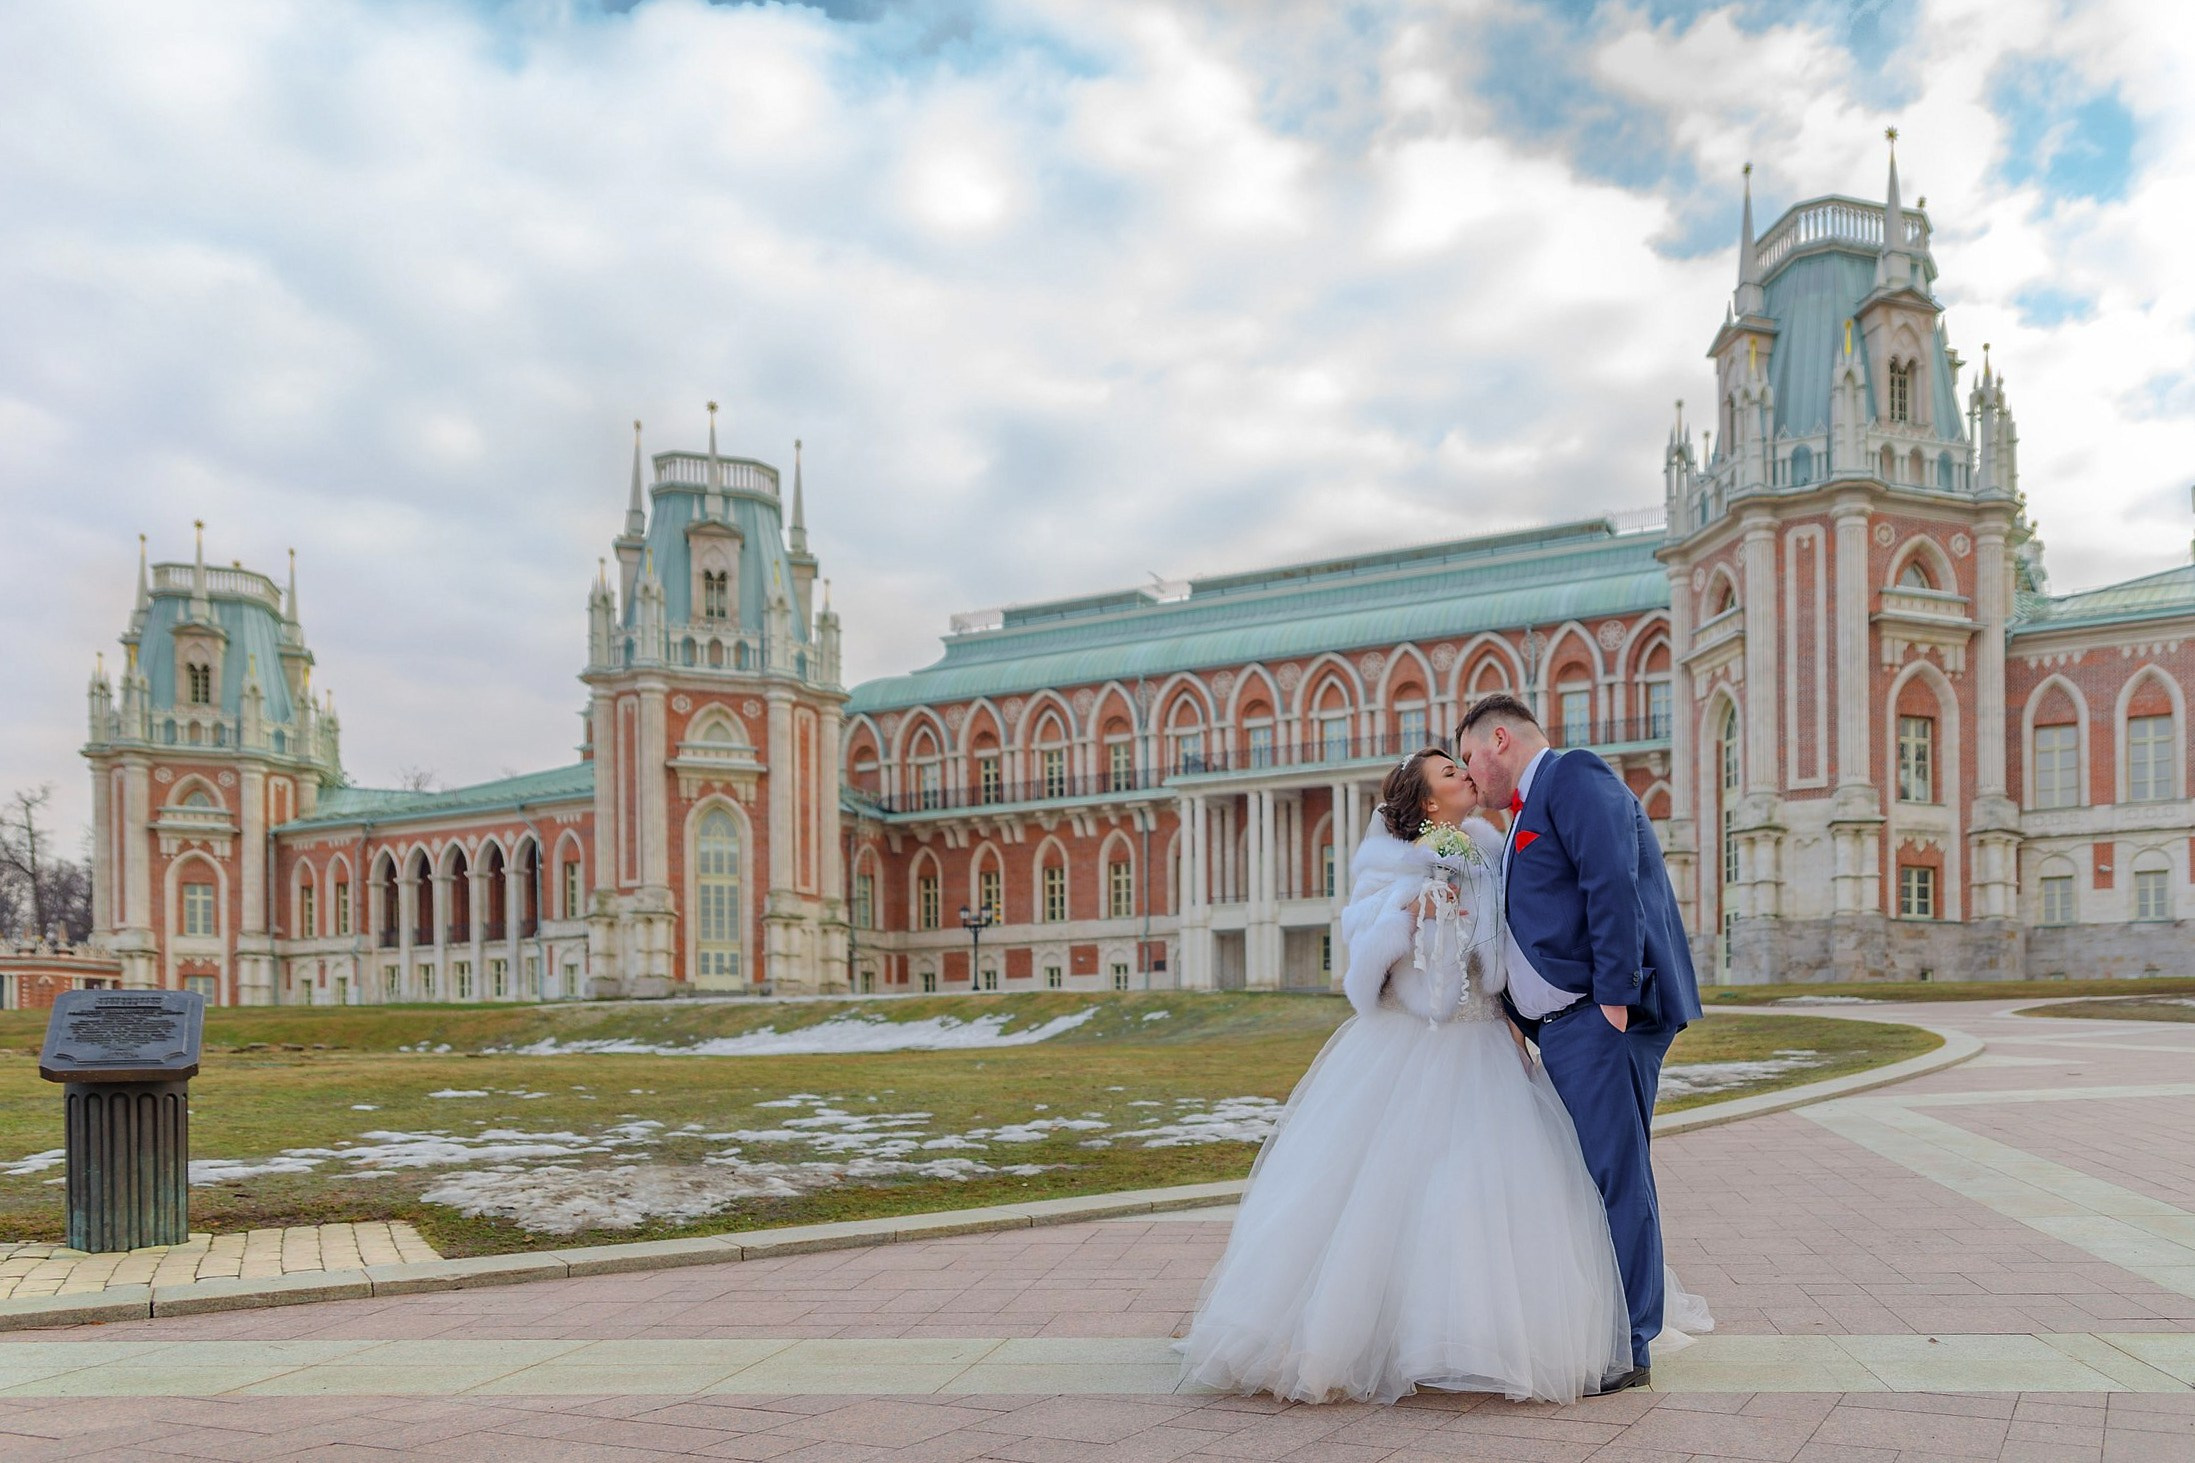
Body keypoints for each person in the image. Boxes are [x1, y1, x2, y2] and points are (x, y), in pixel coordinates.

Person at [1178, 747, 1671, 1405]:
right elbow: (1361, 955)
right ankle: (1366, 1332)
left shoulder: (1490, 849)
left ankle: (1472, 1335)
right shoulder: (1388, 859)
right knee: (1389, 1190)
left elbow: (1507, 942)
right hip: (1411, 1045)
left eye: (1463, 766)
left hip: (1486, 1040)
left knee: (1480, 1192)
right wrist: (1410, 911)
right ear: (1427, 802)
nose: (1466, 774)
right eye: (1449, 772)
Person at [1453, 692, 1706, 1392]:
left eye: (1471, 756)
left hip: (1599, 1021)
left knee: (1614, 1177)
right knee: (1589, 1180)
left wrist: (1617, 999)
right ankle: (1607, 1327)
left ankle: (1629, 1343)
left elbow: (1609, 880)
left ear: (1498, 738)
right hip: (1564, 1030)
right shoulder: (1527, 811)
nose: (1471, 774)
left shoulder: (1571, 776)